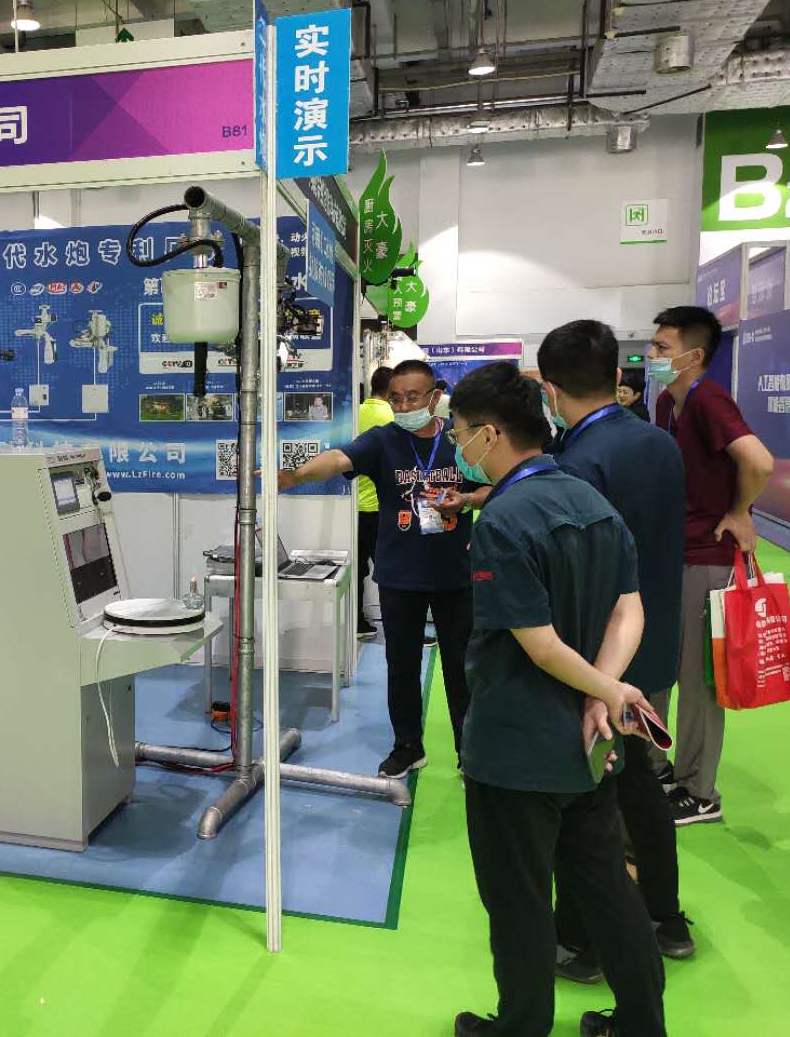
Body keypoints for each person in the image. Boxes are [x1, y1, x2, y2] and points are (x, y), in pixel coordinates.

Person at [446, 362, 666, 1037]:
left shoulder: (503, 520)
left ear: (489, 434)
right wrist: (604, 692)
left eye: (457, 431)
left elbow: (539, 646)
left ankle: (521, 1028)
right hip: (589, 743)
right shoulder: (592, 501)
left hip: (516, 747)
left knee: (517, 900)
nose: (456, 444)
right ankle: (641, 1023)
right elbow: (630, 608)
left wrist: (607, 689)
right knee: (607, 887)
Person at [538, 321, 695, 982]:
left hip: (600, 656)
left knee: (589, 797)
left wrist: (587, 678)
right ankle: (665, 915)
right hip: (652, 642)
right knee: (637, 780)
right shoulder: (658, 441)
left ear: (550, 389)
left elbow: (580, 575)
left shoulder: (580, 462)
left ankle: (583, 941)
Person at [278, 359, 472, 779]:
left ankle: (469, 752)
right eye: (396, 399)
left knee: (461, 667)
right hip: (400, 575)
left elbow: (493, 484)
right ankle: (407, 746)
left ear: (434, 398)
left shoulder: (459, 441)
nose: (404, 407)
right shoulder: (384, 440)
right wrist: (295, 477)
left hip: (455, 574)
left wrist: (468, 501)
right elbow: (338, 458)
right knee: (400, 666)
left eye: (413, 398)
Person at [648, 307, 775, 827]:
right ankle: (658, 765)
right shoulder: (665, 403)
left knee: (697, 681)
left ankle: (699, 791)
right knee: (660, 667)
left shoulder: (709, 400)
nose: (651, 355)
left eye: (662, 347)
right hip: (671, 554)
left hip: (707, 557)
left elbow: (759, 461)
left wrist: (740, 511)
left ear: (693, 355)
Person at [355, 368, 397, 640]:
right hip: (381, 508)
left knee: (358, 570)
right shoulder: (392, 417)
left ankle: (358, 624)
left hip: (354, 508)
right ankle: (398, 627)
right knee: (391, 572)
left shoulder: (355, 413)